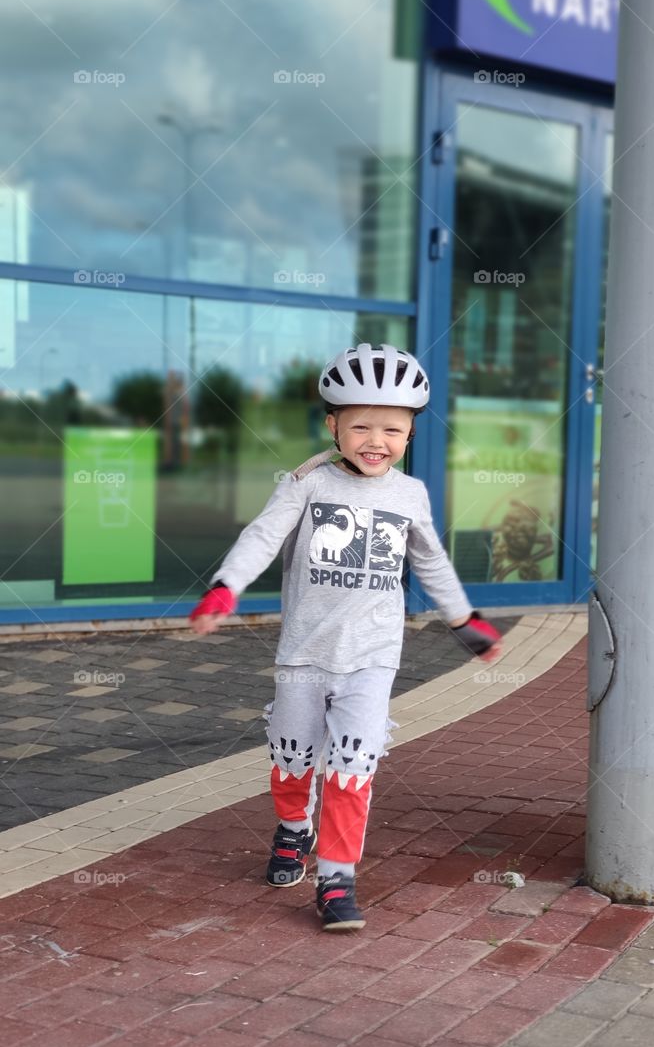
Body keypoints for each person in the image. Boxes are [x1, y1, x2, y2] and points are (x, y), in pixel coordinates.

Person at [190, 344, 501, 931]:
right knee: (292, 760)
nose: (375, 439)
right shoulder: (306, 484)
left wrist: (464, 621)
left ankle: (337, 878)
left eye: (392, 427)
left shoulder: (410, 495)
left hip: (372, 658)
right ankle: (292, 829)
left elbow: (431, 563)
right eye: (360, 425)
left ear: (410, 433)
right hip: (304, 654)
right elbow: (261, 536)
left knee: (353, 767)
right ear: (333, 425)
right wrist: (226, 587)